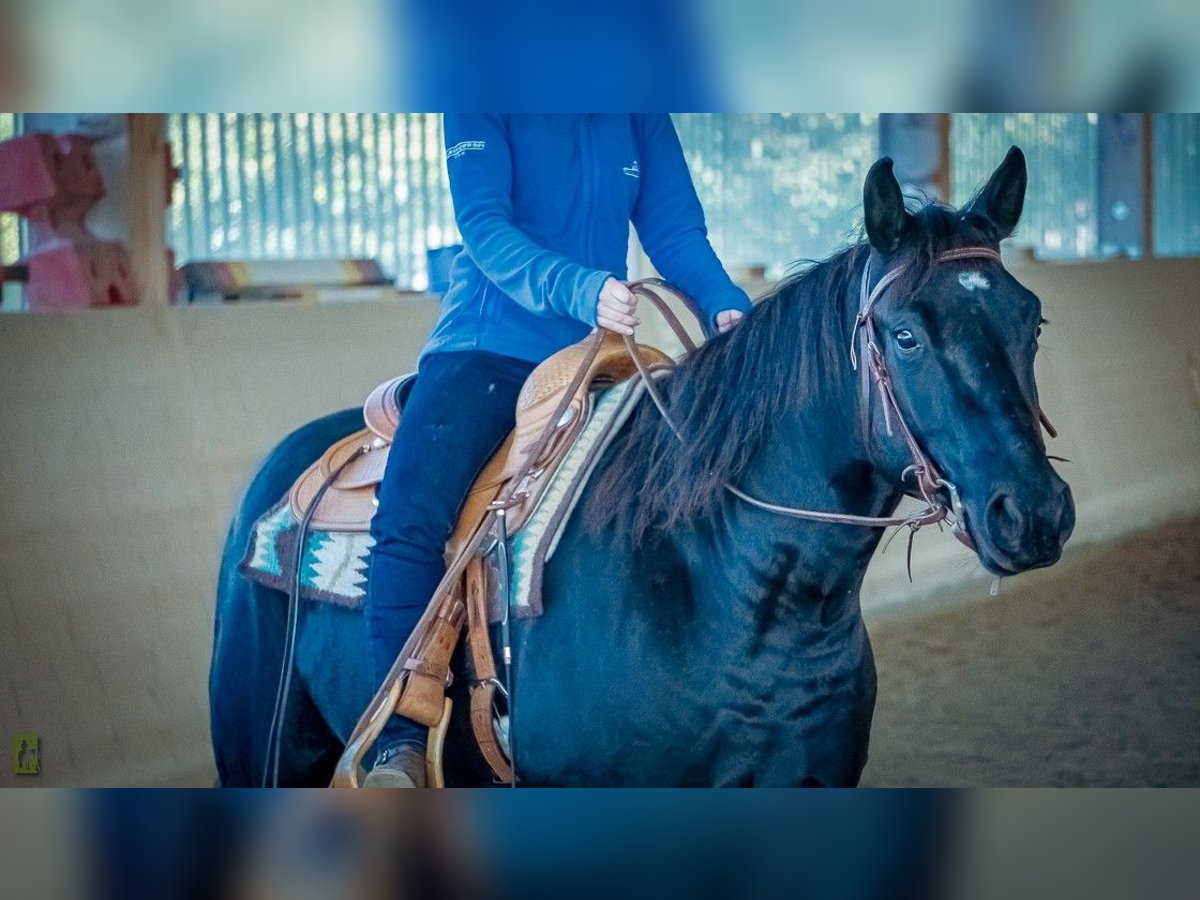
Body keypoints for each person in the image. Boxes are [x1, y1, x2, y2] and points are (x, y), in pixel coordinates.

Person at [363, 114, 751, 787]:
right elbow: (485, 228)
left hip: (594, 355)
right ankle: (397, 740)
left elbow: (674, 230)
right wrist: (576, 286)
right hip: (488, 348)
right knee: (407, 520)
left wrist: (724, 302)